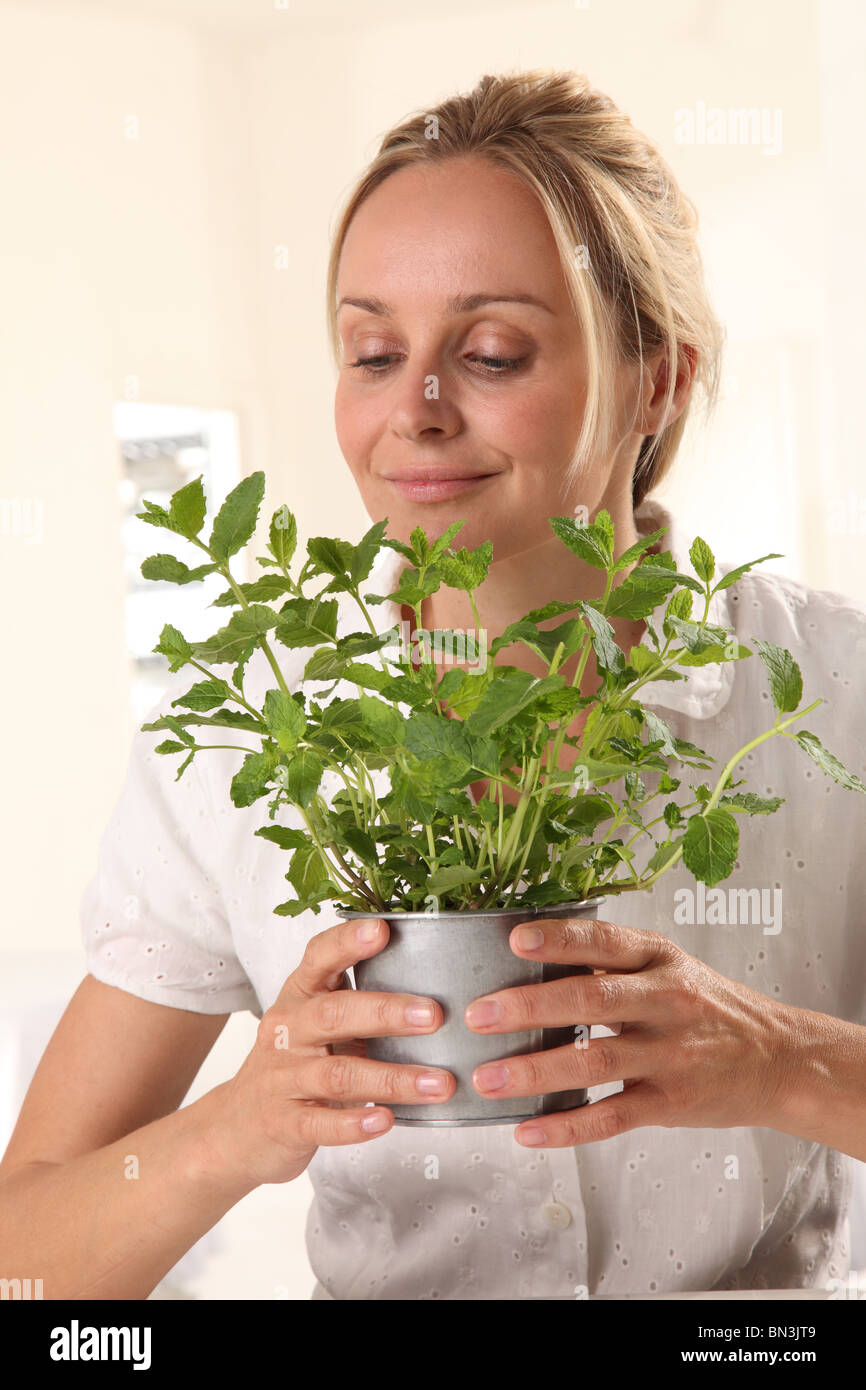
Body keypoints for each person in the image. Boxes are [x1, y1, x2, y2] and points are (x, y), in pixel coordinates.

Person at [2, 70, 865, 1302]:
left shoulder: (831, 687)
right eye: (372, 351)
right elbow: (22, 1259)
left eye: (491, 351)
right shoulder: (257, 737)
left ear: (658, 382)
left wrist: (782, 1062)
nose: (415, 410)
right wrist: (238, 1128)